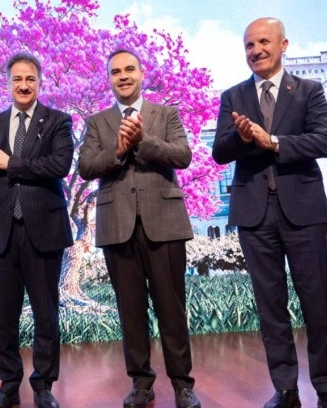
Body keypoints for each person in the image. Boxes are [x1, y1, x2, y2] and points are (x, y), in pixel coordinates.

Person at [212, 17, 327, 408]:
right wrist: (241, 138)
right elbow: (219, 153)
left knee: (317, 302)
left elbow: (324, 142)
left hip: (303, 212)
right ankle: (285, 389)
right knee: (270, 306)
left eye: (264, 42)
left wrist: (272, 141)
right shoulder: (233, 96)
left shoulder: (308, 91)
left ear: (283, 44)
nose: (256, 51)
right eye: (249, 45)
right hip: (254, 215)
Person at [78, 49, 201, 408]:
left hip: (165, 224)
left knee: (171, 309)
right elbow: (86, 167)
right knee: (130, 311)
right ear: (109, 79)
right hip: (118, 227)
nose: (123, 76)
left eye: (129, 69)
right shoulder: (97, 123)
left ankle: (182, 384)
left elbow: (182, 156)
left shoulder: (166, 114)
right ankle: (141, 382)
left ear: (142, 73)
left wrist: (142, 141)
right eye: (116, 71)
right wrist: (118, 150)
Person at [0, 52, 74, 408]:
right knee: (4, 316)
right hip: (2, 232)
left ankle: (43, 386)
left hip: (44, 230)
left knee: (46, 314)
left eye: (30, 79)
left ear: (40, 82)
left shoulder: (58, 121)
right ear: (7, 83)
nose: (23, 85)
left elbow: (59, 165)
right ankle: (8, 386)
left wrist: (12, 163)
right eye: (17, 79)